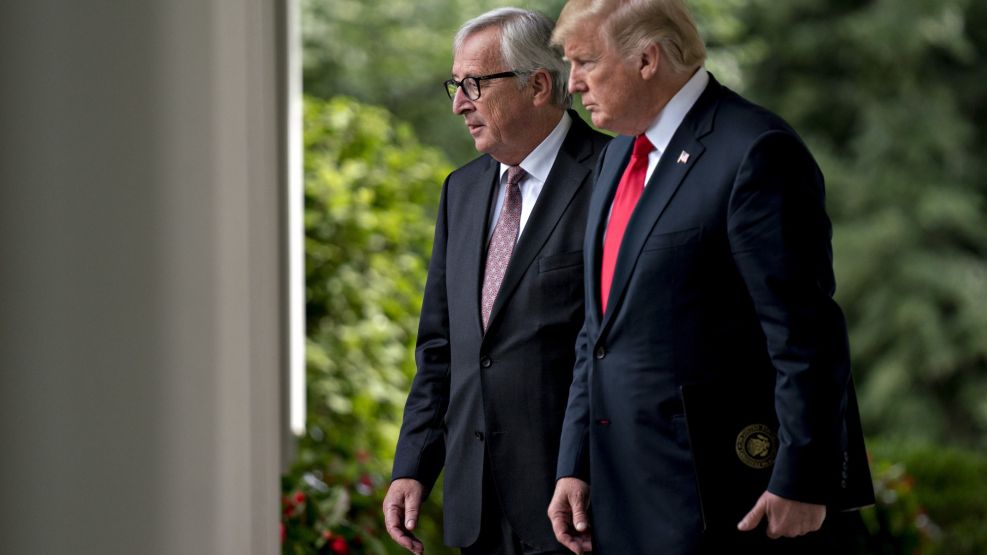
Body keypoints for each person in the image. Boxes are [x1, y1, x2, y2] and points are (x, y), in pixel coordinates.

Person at [544, 1, 874, 553]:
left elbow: (805, 336)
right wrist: (573, 464)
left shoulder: (755, 151)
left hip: (725, 502)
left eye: (585, 63)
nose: (572, 85)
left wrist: (803, 478)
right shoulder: (614, 157)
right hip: (619, 498)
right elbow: (596, 333)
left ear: (647, 59)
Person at [382, 8, 611, 555]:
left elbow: (605, 349)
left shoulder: (612, 178)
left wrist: (577, 466)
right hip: (476, 510)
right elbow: (440, 348)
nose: (460, 102)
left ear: (537, 85)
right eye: (455, 85)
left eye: (474, 84)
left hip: (575, 508)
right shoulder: (458, 192)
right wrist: (413, 464)